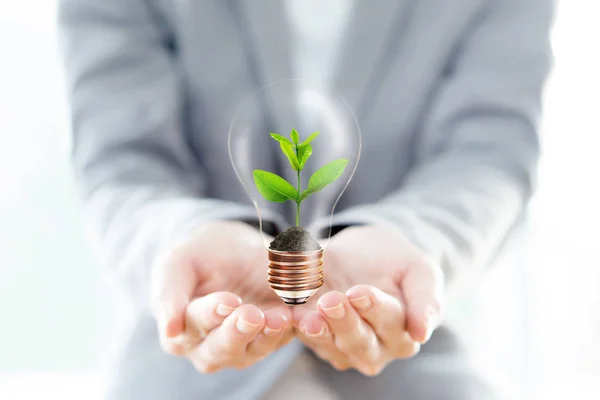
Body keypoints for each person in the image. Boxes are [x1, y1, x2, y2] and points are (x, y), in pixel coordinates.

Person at [58, 0, 554, 399]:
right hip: (180, 376)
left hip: (414, 372)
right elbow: (124, 158)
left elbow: (488, 152)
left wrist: (411, 239)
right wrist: (185, 236)